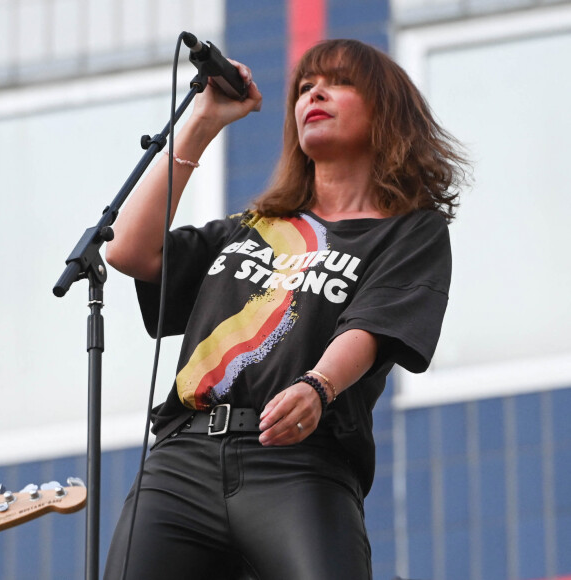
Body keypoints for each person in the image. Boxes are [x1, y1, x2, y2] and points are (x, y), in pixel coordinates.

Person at [103, 38, 467, 580]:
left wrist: (318, 385)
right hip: (183, 457)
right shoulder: (254, 227)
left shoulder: (410, 231)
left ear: (386, 110)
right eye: (303, 87)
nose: (314, 93)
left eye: (338, 82)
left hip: (298, 462)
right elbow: (128, 250)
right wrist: (203, 120)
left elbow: (370, 325)